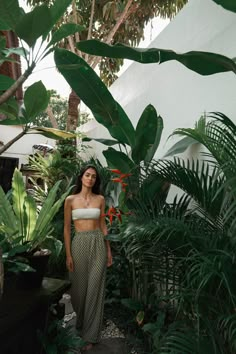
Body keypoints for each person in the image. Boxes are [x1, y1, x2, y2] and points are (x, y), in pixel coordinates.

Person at [64, 165, 112, 351]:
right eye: (87, 175)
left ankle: (90, 335)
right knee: (78, 290)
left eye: (93, 176)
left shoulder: (100, 199)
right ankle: (81, 321)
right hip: (79, 244)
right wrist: (68, 254)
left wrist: (108, 250)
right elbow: (67, 229)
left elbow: (103, 226)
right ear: (81, 177)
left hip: (98, 243)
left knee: (95, 289)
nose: (90, 179)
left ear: (95, 180)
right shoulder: (70, 200)